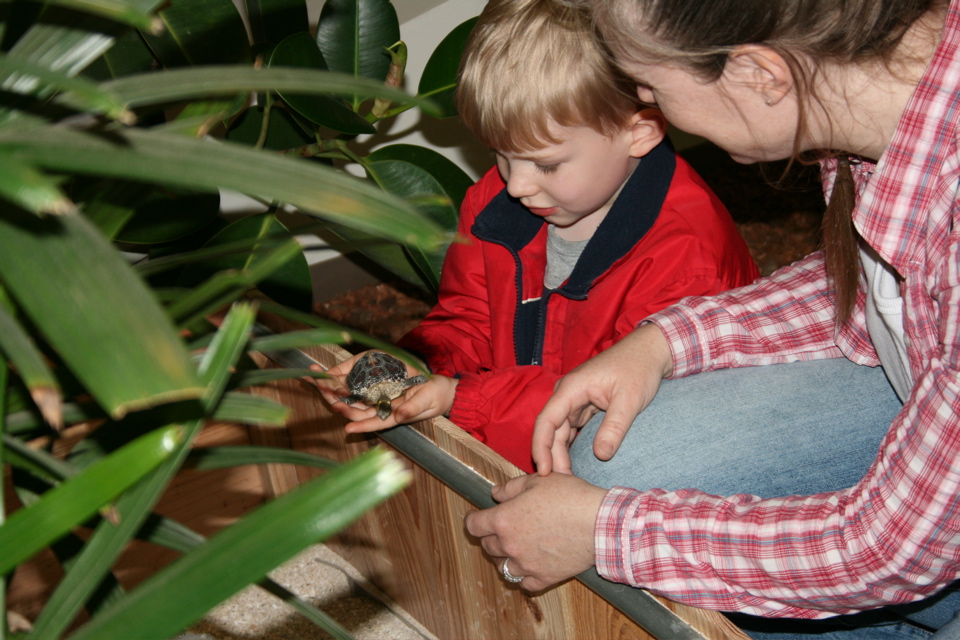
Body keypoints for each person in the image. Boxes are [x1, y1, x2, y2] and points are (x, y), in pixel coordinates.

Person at [463, 0, 960, 637]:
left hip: (898, 540)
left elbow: (887, 548)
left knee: (628, 518)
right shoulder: (876, 105)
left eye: (650, 84)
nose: (643, 101)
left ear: (760, 74)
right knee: (622, 465)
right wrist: (663, 342)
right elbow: (878, 289)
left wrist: (609, 532)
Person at [314, 0, 758, 473]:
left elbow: (606, 411)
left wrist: (465, 401)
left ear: (641, 132)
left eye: (545, 163)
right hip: (524, 431)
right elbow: (468, 318)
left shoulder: (686, 257)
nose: (517, 184)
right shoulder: (495, 200)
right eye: (501, 155)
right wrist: (418, 368)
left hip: (652, 461)